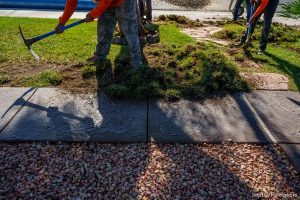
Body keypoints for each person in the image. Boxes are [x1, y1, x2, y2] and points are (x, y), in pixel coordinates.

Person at [55, 0, 143, 69]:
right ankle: (100, 56)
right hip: (105, 2)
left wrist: (92, 14)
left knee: (129, 31)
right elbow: (71, 4)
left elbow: (107, 1)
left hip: (124, 2)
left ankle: (136, 61)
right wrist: (62, 22)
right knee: (103, 29)